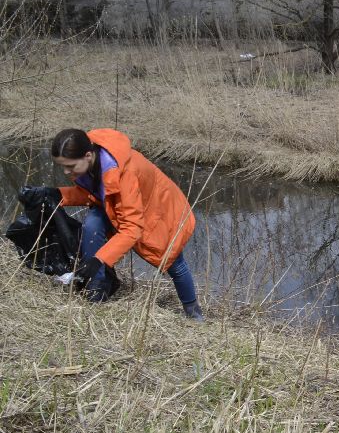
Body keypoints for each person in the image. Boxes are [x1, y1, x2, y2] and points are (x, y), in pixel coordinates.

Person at [19, 128, 204, 320]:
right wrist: (56, 194)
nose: (66, 172)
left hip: (160, 212)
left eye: (70, 166)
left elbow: (132, 227)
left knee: (174, 262)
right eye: (62, 166)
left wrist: (99, 259)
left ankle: (194, 314)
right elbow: (98, 194)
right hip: (123, 206)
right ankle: (95, 291)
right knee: (92, 224)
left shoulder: (124, 175)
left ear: (88, 155)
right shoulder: (90, 161)